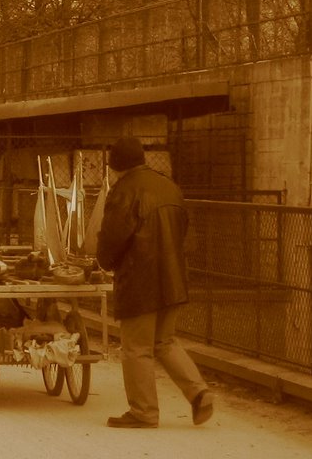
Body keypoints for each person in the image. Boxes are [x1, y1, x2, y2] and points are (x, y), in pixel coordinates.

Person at [96, 136, 214, 429]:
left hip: (140, 281)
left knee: (136, 347)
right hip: (173, 278)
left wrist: (104, 263)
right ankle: (200, 393)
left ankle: (143, 412)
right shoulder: (169, 187)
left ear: (115, 166)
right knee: (164, 341)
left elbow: (112, 238)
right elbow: (183, 230)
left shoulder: (123, 191)